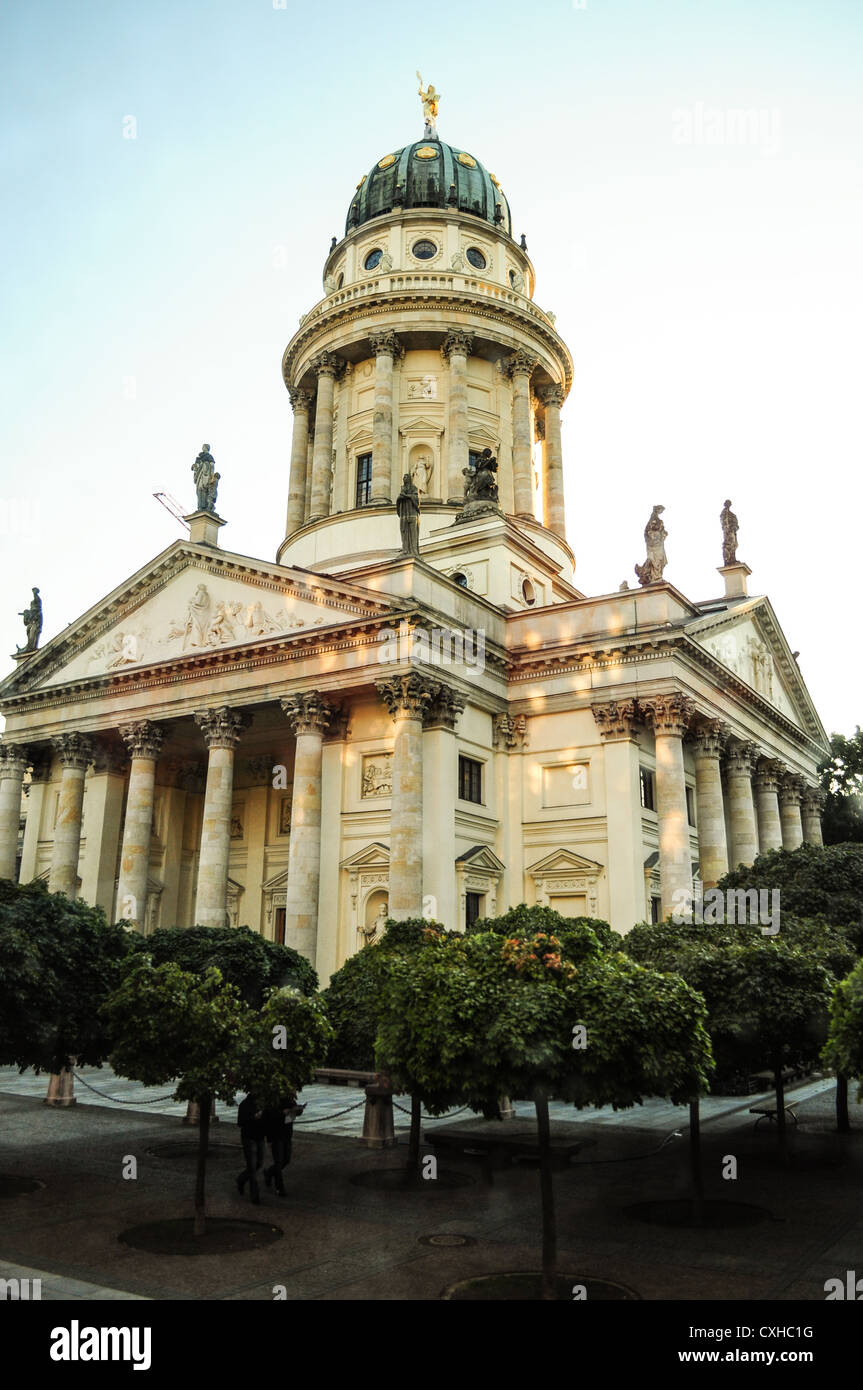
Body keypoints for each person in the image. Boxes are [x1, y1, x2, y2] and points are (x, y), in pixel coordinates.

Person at [262, 1095, 305, 1195]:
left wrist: (298, 1110)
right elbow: (269, 1117)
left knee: (286, 1160)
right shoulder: (273, 1101)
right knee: (278, 1161)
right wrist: (282, 1113)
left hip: (286, 1134)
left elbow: (294, 1114)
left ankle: (269, 1173)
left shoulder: (290, 1100)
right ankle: (279, 1187)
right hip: (276, 1134)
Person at [236, 1092, 265, 1204]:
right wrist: (254, 1118)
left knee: (259, 1163)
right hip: (249, 1138)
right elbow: (240, 1122)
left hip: (259, 1137)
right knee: (252, 1167)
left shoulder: (262, 1104)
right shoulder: (245, 1105)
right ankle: (255, 1195)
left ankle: (241, 1179)